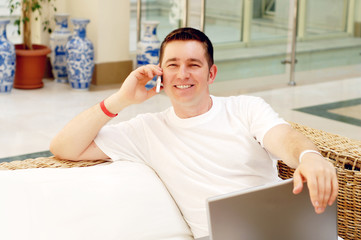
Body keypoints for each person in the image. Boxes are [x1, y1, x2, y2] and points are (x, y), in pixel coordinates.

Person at [50, 27, 338, 238]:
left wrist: (309, 156)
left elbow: (283, 138)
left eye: (193, 65)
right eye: (172, 65)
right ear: (160, 74)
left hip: (290, 230)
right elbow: (65, 146)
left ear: (211, 74)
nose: (182, 74)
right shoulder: (147, 130)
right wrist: (121, 99)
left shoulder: (245, 108)